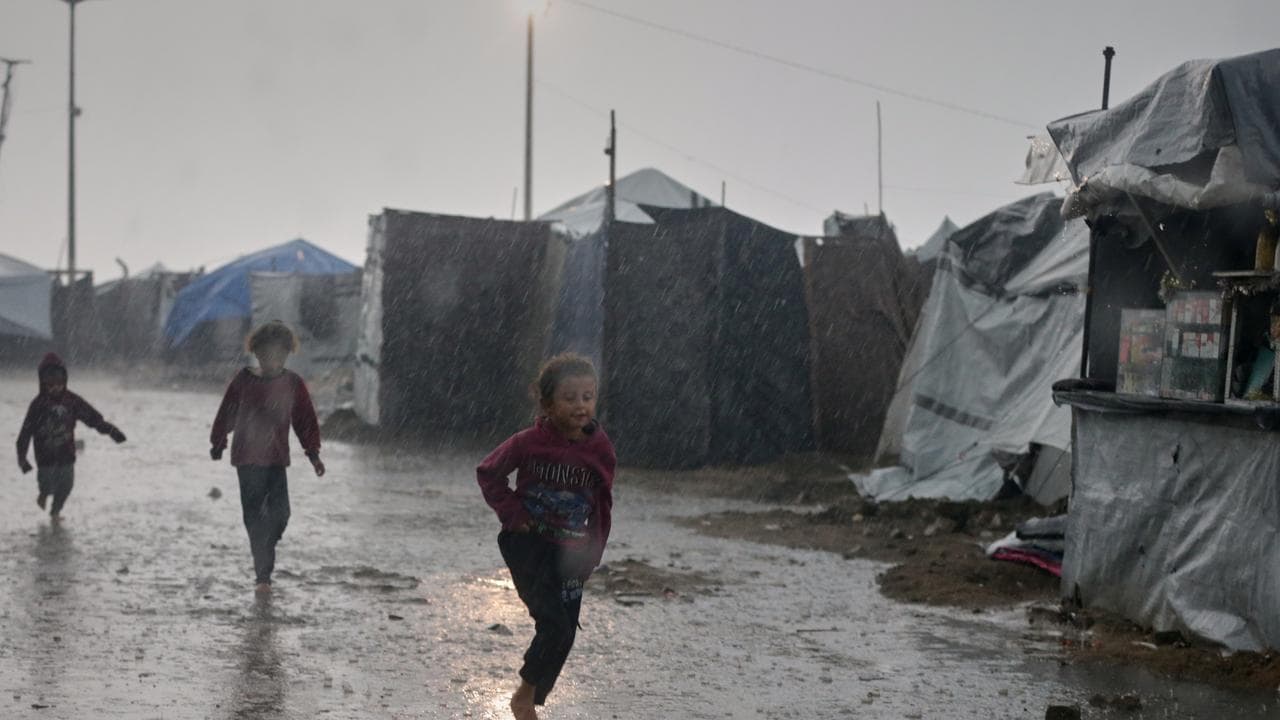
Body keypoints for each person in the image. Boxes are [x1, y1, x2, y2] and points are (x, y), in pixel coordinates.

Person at [476, 353, 616, 720]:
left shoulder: (600, 450)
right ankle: (524, 700)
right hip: (528, 545)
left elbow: (603, 504)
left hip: (571, 551)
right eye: (569, 398)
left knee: (566, 632)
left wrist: (594, 550)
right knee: (552, 623)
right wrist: (514, 515)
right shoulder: (527, 443)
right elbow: (488, 473)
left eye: (588, 396)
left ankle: (529, 695)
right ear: (547, 402)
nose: (580, 406)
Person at [210, 321, 325, 594]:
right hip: (246, 460)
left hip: (275, 459)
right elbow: (227, 412)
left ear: (287, 354)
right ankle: (263, 576)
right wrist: (219, 441)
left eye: (280, 354)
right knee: (253, 517)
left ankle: (265, 549)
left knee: (281, 514)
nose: (273, 359)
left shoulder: (293, 384)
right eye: (267, 353)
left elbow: (305, 421)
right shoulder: (243, 381)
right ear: (257, 353)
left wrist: (314, 454)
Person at [16, 352, 128, 522]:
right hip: (44, 457)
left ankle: (55, 511)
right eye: (50, 384)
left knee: (66, 486)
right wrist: (22, 459)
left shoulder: (72, 401)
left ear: (65, 381)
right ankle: (43, 494)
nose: (55, 387)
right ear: (43, 383)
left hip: (66, 453)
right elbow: (25, 433)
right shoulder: (37, 405)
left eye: (59, 383)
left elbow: (93, 419)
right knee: (47, 483)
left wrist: (112, 431)